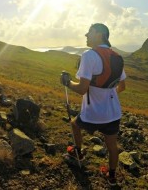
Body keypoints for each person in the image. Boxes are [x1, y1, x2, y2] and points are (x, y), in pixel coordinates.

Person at [60, 23, 126, 186]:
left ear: (100, 34)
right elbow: (122, 86)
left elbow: (82, 88)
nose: (86, 34)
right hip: (113, 111)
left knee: (75, 125)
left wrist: (67, 83)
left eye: (90, 31)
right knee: (112, 145)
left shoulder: (89, 55)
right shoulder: (117, 57)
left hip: (93, 112)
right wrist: (106, 94)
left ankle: (78, 154)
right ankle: (111, 177)